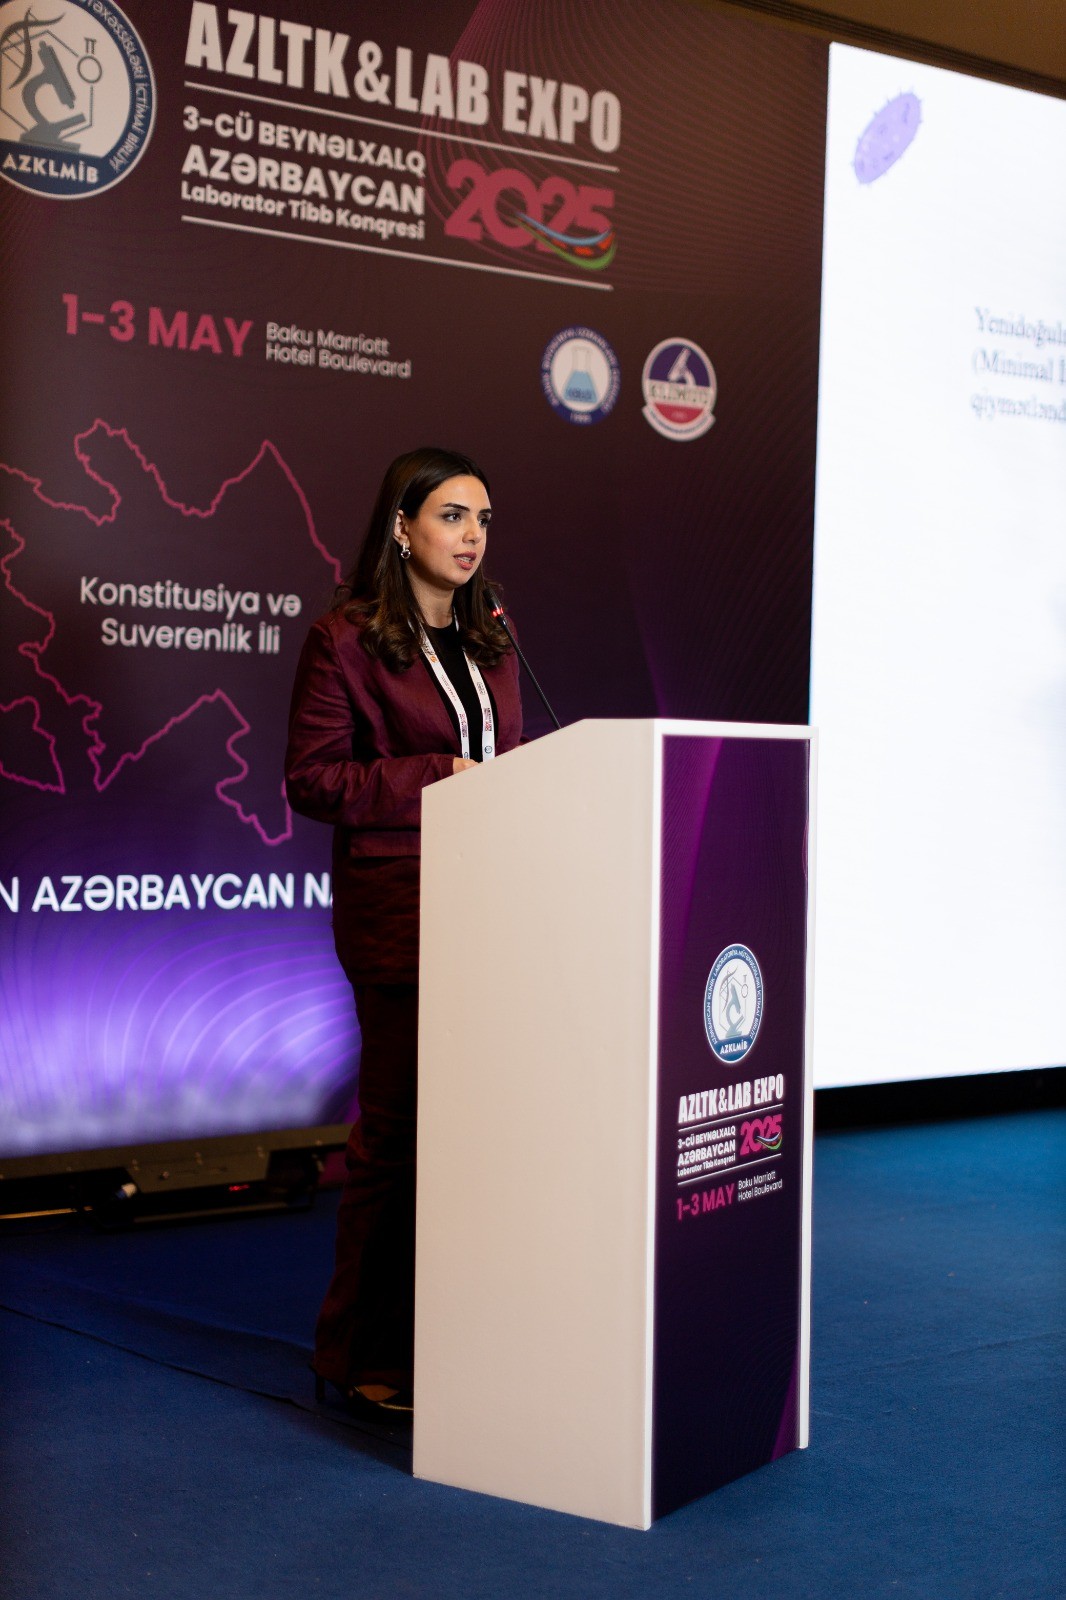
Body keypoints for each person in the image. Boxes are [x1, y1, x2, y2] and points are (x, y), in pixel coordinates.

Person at [285, 447, 523, 1419]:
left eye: (483, 519)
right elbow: (314, 779)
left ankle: (461, 1341)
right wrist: (438, 775)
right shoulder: (345, 640)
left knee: (477, 1141)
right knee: (396, 1140)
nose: (471, 536)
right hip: (403, 916)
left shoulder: (494, 636)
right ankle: (361, 1354)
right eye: (452, 516)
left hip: (499, 914)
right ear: (401, 526)